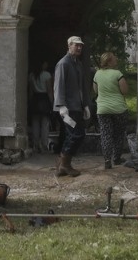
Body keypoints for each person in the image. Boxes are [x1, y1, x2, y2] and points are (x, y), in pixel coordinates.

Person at [53, 36, 90, 177]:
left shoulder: (77, 63)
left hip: (77, 106)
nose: (79, 48)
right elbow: (59, 85)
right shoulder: (64, 63)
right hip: (67, 108)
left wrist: (86, 104)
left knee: (72, 135)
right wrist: (61, 105)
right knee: (75, 135)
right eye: (76, 45)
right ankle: (64, 165)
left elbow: (83, 86)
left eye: (81, 46)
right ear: (69, 46)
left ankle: (63, 165)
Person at [93, 51, 129, 169]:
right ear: (109, 61)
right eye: (114, 58)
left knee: (105, 134)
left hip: (103, 109)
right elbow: (124, 91)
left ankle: (107, 160)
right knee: (118, 134)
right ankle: (117, 158)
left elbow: (96, 91)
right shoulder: (117, 74)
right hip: (118, 109)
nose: (116, 60)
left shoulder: (97, 74)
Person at [28, 61, 54, 153]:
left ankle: (35, 145)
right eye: (46, 63)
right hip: (44, 99)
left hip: (35, 98)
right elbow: (49, 90)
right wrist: (52, 102)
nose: (47, 65)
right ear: (42, 64)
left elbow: (31, 91)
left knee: (35, 123)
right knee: (45, 124)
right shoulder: (47, 75)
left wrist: (30, 101)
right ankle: (44, 145)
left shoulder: (31, 75)